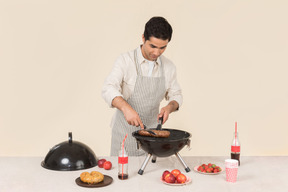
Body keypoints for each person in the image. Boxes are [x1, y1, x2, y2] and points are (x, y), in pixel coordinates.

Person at [102, 16, 183, 156]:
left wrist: (169, 108)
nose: (156, 53)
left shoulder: (169, 67)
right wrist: (125, 108)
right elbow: (108, 88)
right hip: (124, 135)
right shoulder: (125, 61)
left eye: (162, 47)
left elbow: (176, 95)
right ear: (143, 38)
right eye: (152, 46)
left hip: (152, 140)